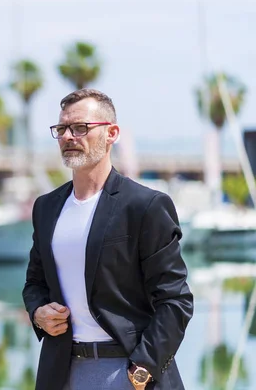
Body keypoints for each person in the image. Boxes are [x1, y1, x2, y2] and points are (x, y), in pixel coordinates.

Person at [22, 89, 193, 390]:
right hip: (60, 371)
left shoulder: (145, 206)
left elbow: (175, 300)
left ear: (112, 133)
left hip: (128, 371)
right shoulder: (46, 207)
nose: (68, 137)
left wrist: (143, 369)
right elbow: (35, 283)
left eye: (80, 128)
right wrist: (38, 313)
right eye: (61, 129)